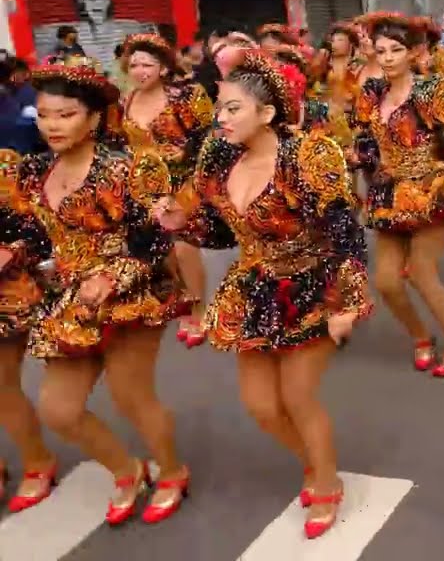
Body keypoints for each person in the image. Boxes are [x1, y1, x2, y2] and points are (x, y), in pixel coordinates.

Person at [154, 50, 370, 539]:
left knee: (297, 397)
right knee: (261, 407)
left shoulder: (308, 156)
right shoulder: (218, 158)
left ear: (267, 113)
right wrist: (181, 221)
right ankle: (313, 464)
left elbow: (344, 231)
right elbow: (222, 233)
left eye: (233, 109)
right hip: (253, 288)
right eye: (219, 108)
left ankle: (327, 480)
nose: (221, 118)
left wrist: (347, 301)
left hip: (312, 284)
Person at [8, 59, 188, 525]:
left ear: (93, 118)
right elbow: (38, 232)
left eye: (65, 114)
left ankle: (171, 470)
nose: (52, 124)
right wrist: (13, 249)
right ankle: (127, 470)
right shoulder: (33, 173)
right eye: (44, 114)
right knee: (57, 408)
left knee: (132, 397)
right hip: (72, 298)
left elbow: (153, 238)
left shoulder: (125, 168)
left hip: (132, 294)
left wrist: (113, 276)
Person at [349, 13, 444, 376]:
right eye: (381, 50)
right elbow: (367, 141)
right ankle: (420, 336)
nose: (388, 57)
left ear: (413, 53)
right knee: (385, 281)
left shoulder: (432, 91)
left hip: (429, 190)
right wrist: (353, 157)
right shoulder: (371, 92)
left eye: (396, 49)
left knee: (422, 272)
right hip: (387, 192)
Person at [118, 34, 215, 348]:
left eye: (147, 64)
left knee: (185, 246)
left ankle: (201, 310)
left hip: (184, 183)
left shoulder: (184, 97)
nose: (139, 70)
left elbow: (206, 139)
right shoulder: (127, 100)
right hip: (145, 187)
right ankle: (184, 298)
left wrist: (192, 178)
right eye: (133, 64)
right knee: (163, 251)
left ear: (162, 68)